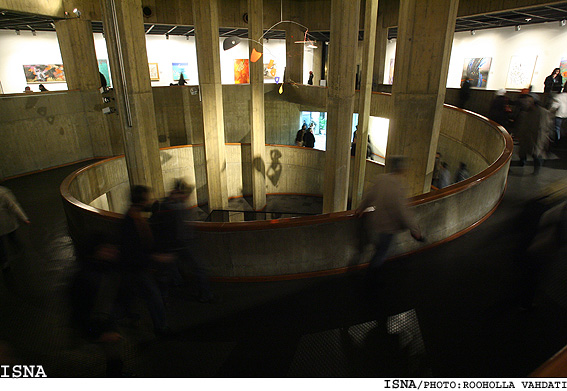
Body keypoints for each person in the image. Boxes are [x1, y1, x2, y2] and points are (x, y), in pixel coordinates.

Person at [118, 185, 174, 336]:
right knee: (153, 298)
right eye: (148, 198)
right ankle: (161, 329)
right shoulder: (132, 222)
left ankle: (136, 317)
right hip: (138, 268)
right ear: (142, 201)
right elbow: (132, 251)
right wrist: (155, 257)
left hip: (140, 267)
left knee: (151, 297)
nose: (151, 200)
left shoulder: (134, 217)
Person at [150, 180, 216, 303]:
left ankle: (166, 293)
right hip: (180, 244)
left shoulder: (169, 204)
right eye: (184, 194)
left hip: (173, 245)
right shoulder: (174, 207)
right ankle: (205, 295)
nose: (186, 197)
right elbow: (177, 223)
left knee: (167, 272)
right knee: (197, 269)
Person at [356, 156, 423, 275]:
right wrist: (415, 229)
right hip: (387, 228)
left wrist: (361, 208)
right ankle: (371, 279)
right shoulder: (399, 186)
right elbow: (402, 211)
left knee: (378, 250)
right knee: (381, 253)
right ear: (401, 169)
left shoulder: (381, 179)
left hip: (374, 223)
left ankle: (372, 276)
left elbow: (369, 196)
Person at [516, 94, 553, 175]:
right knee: (525, 151)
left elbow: (543, 127)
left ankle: (536, 170)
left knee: (536, 154)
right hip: (528, 136)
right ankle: (522, 162)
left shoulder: (542, 112)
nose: (525, 104)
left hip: (537, 137)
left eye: (527, 102)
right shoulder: (526, 112)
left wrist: (543, 140)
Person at [0, 185, 30, 272]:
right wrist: (24, 218)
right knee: (12, 237)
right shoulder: (3, 193)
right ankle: (19, 252)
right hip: (7, 223)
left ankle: (4, 261)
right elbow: (14, 206)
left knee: (0, 244)